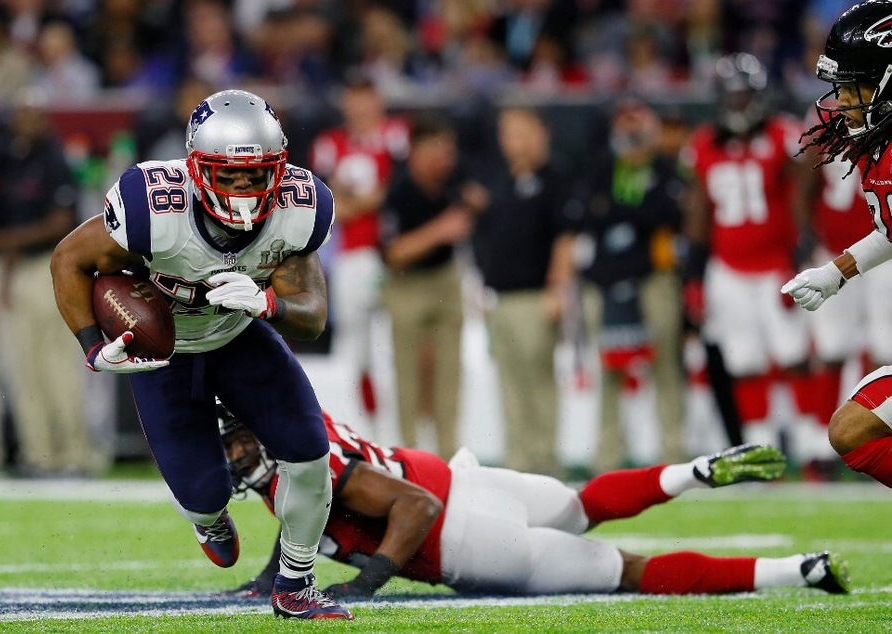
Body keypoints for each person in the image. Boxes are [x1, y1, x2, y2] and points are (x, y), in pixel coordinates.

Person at [49, 89, 352, 620]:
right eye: (227, 174)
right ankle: (208, 515)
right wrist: (93, 348)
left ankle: (296, 584)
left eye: (256, 174)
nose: (242, 187)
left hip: (237, 336)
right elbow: (68, 260)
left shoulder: (300, 209)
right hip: (165, 353)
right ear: (194, 168)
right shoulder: (152, 207)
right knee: (203, 495)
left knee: (310, 454)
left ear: (278, 167)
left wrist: (268, 301)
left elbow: (314, 314)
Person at [219, 401, 850, 599]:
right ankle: (694, 472)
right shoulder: (298, 426)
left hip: (466, 537)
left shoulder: (308, 469)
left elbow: (414, 507)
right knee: (580, 506)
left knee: (626, 571)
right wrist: (275, 571)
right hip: (475, 484)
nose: (232, 458)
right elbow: (304, 505)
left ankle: (798, 572)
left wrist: (366, 584)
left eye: (236, 445)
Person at [782, 0, 892, 490]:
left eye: (854, 86)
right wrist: (835, 272)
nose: (843, 101)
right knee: (852, 430)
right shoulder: (878, 145)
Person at [681, 52, 813, 451]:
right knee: (745, 363)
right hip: (729, 270)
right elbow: (698, 215)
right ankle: (760, 448)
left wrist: (800, 251)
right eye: (731, 95)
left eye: (743, 95)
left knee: (794, 356)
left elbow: (805, 191)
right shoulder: (703, 144)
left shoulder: (782, 134)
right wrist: (694, 277)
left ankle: (813, 448)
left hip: (776, 264)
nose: (737, 103)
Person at [0, 89, 92, 478]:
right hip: (6, 269)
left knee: (57, 366)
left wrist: (2, 245)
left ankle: (73, 453)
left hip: (47, 268)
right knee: (21, 371)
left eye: (32, 114)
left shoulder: (54, 159)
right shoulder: (1, 155)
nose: (25, 121)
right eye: (20, 114)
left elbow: (61, 222)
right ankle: (37, 456)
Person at [571, 98, 687, 473]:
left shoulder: (666, 169)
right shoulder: (602, 168)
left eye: (638, 127)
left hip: (653, 278)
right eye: (625, 126)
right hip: (605, 282)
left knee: (665, 362)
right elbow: (588, 213)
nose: (632, 136)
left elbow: (667, 213)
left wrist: (618, 211)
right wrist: (637, 215)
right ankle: (609, 454)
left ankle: (674, 449)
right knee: (608, 366)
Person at [471, 106, 575, 477]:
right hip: (501, 298)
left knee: (539, 381)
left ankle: (545, 460)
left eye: (519, 132)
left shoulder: (556, 178)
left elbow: (565, 238)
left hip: (535, 296)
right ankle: (518, 462)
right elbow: (487, 240)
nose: (511, 141)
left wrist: (556, 290)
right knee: (509, 383)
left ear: (539, 133)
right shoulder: (499, 181)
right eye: (506, 133)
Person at [380, 113, 487, 460]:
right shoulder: (399, 192)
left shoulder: (456, 185)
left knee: (450, 371)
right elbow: (393, 252)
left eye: (447, 152)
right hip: (406, 284)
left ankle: (448, 453)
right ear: (415, 153)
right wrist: (440, 230)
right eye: (435, 152)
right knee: (408, 374)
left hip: (446, 278)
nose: (444, 160)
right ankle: (408, 455)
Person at [309, 77, 410, 421]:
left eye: (368, 99)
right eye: (355, 99)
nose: (362, 108)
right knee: (359, 348)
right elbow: (324, 201)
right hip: (350, 256)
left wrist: (358, 202)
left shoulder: (397, 135)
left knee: (400, 344)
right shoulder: (330, 144)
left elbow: (401, 187)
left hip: (395, 252)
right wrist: (367, 202)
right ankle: (369, 425)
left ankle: (405, 423)